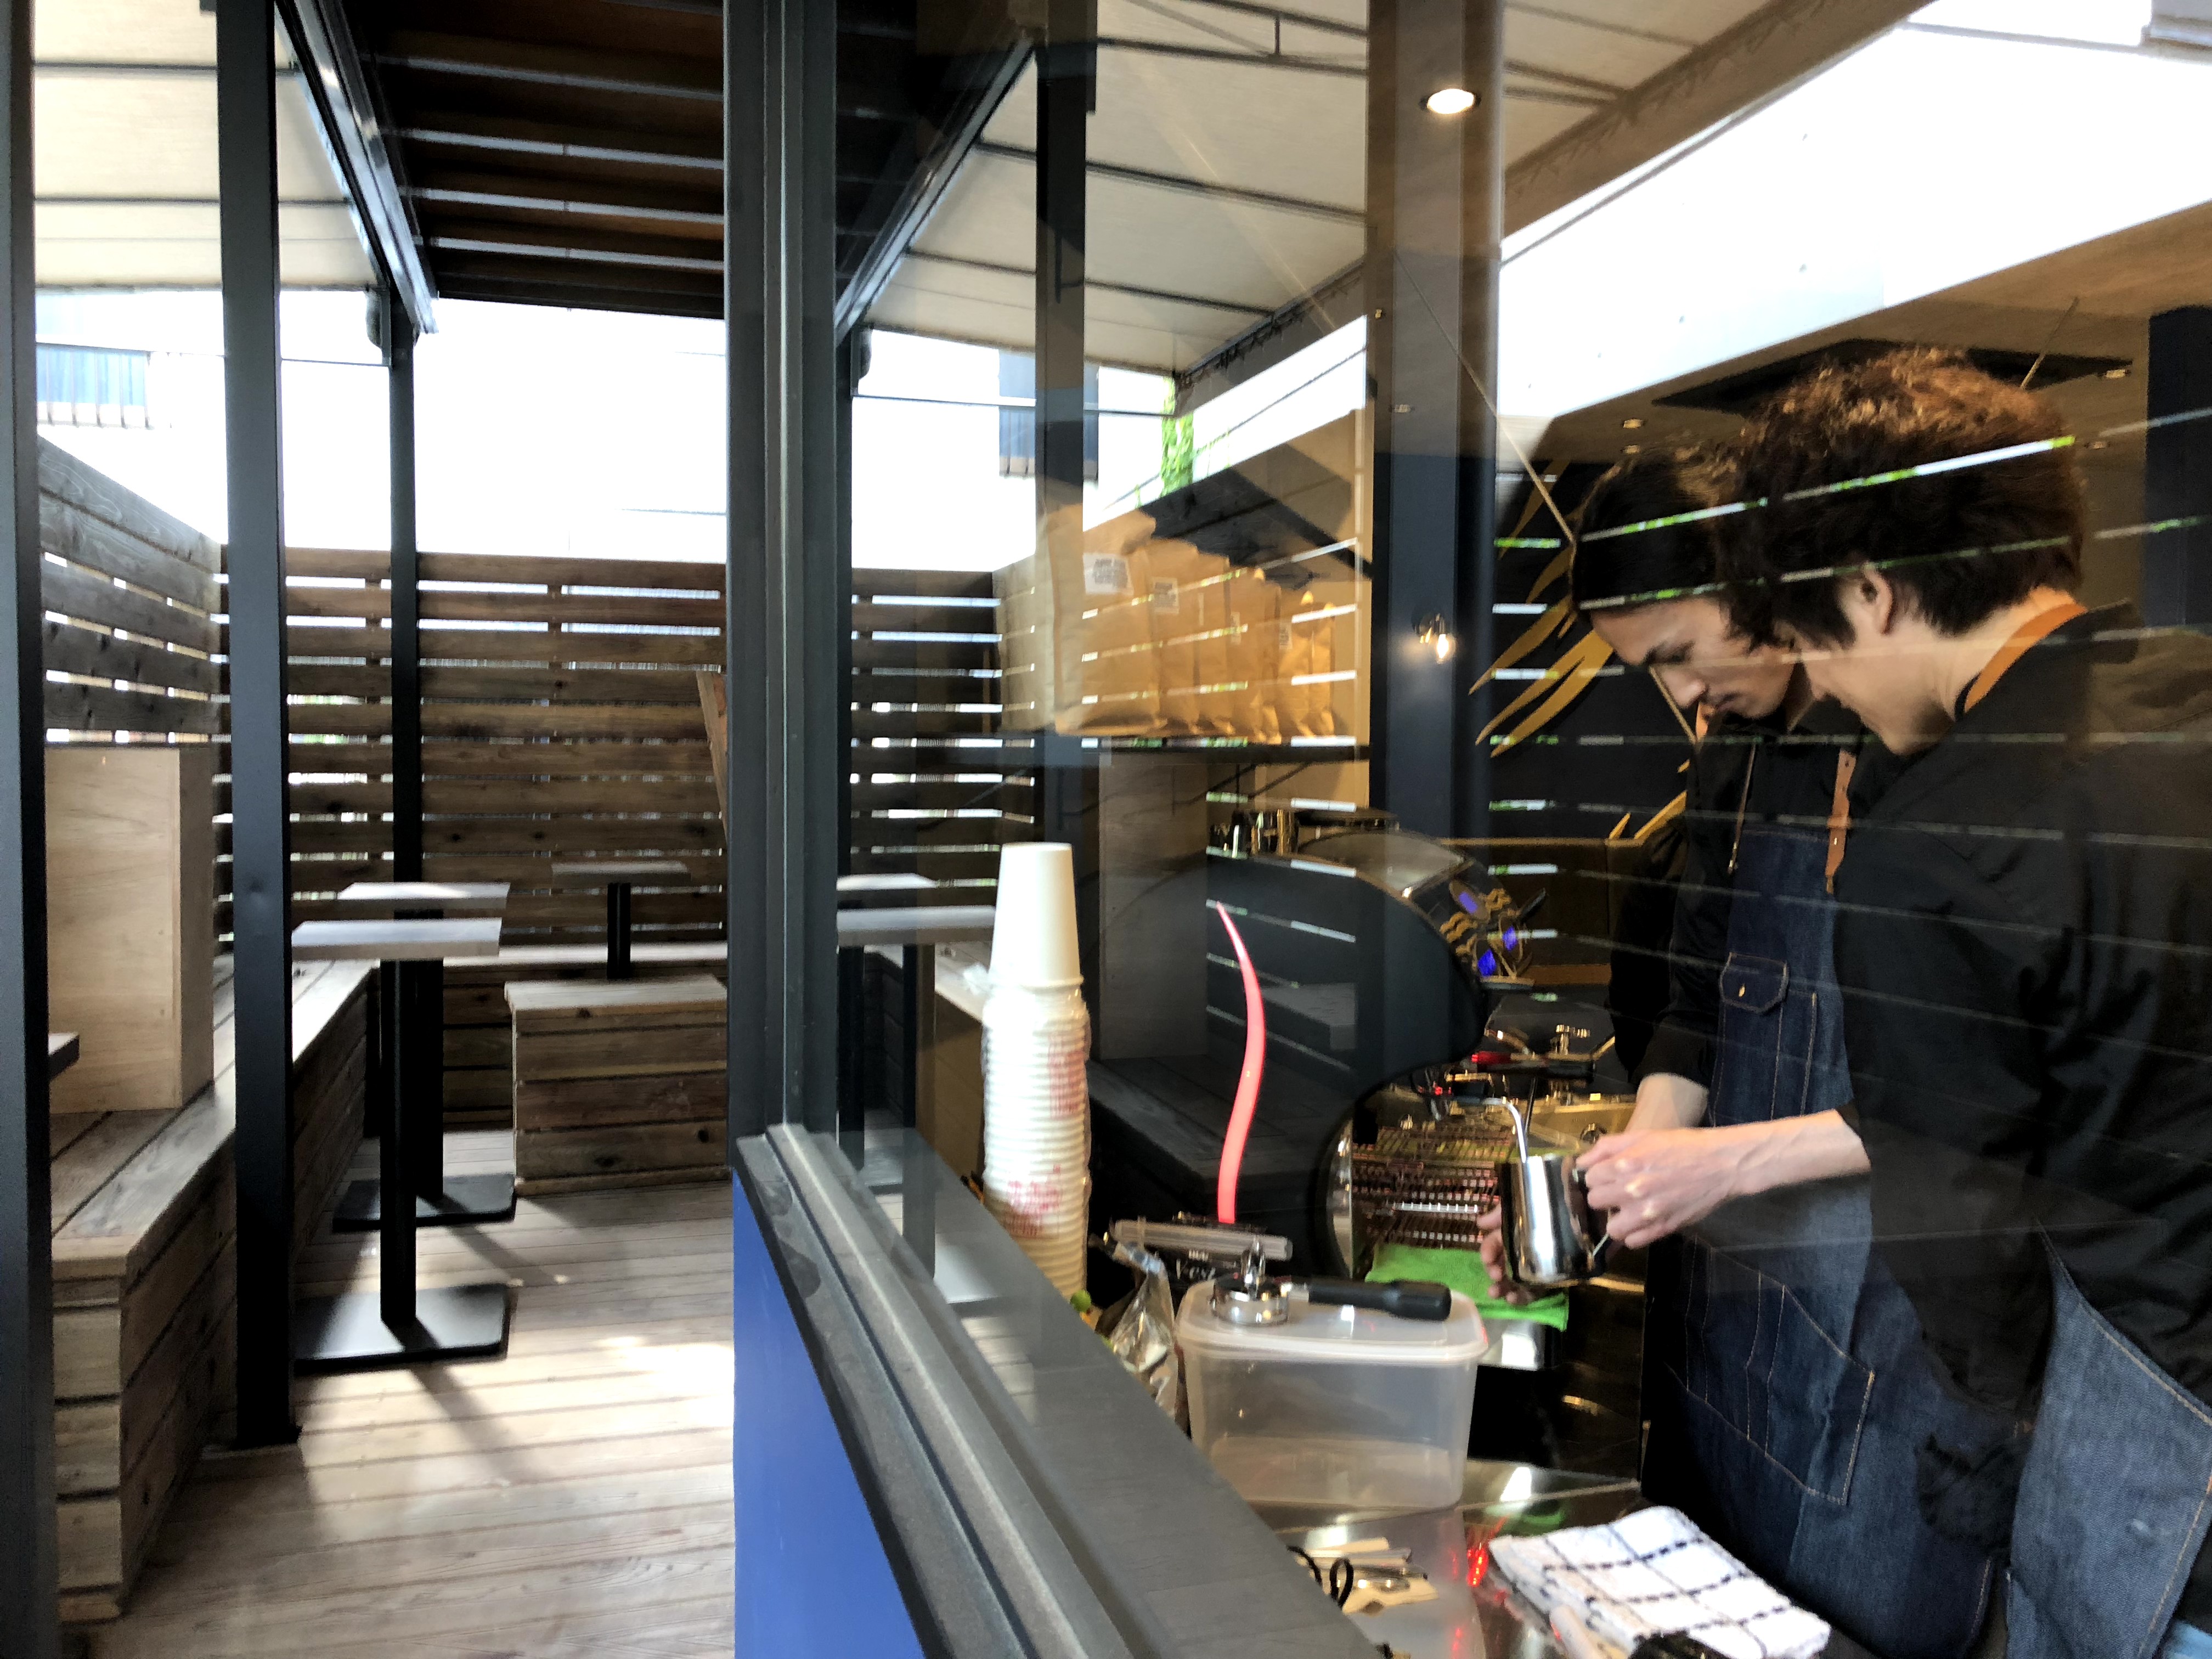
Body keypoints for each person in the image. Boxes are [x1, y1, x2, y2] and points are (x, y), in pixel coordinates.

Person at [1714, 348, 2212, 1659]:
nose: (1824, 688)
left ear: (1871, 591)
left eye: (1811, 644)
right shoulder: (2194, 688)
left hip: (2168, 1469)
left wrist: (2007, 1450)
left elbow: (1959, 1233)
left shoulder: (1942, 840)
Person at [1480, 449, 2007, 1659]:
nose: (1686, 694)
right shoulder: (1734, 753)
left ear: (1763, 581)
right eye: (1650, 672)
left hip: (1884, 1346)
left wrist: (1720, 1166)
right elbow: (1701, 1002)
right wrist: (1632, 1174)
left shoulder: (1923, 750)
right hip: (1729, 1329)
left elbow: (1968, 1097)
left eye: (1682, 651)